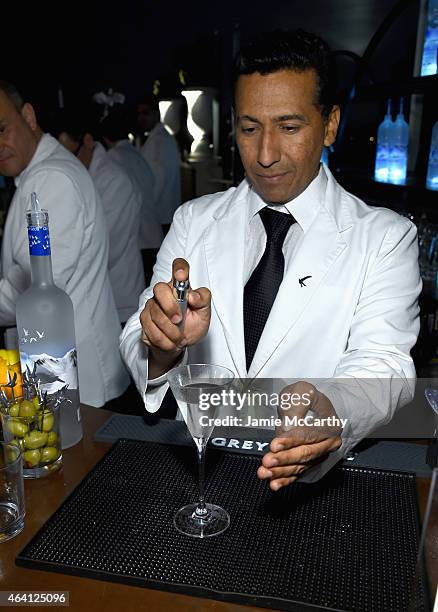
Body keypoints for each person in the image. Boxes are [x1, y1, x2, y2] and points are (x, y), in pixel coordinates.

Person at [120, 30, 421, 488]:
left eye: (289, 127)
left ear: (331, 123)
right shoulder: (193, 221)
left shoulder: (384, 238)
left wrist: (330, 409)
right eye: (249, 128)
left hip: (309, 483)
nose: (265, 155)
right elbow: (136, 333)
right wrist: (161, 346)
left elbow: (385, 367)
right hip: (203, 464)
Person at [0, 81, 129, 406]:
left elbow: (35, 289)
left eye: (2, 129)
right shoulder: (41, 175)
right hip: (68, 376)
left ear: (28, 116)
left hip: (78, 386)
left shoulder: (50, 180)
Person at [54, 112, 145, 324]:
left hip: (119, 300)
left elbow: (106, 248)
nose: (67, 163)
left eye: (71, 155)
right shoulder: (81, 176)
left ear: (87, 141)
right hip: (93, 300)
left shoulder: (115, 181)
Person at [99, 108, 163, 285]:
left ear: (105, 138)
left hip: (139, 238)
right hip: (154, 235)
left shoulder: (112, 160)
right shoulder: (137, 155)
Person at [136, 94, 181, 234]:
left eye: (146, 113)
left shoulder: (160, 141)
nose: (141, 118)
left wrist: (146, 209)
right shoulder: (156, 139)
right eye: (139, 114)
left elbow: (159, 179)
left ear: (156, 114)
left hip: (160, 215)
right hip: (161, 213)